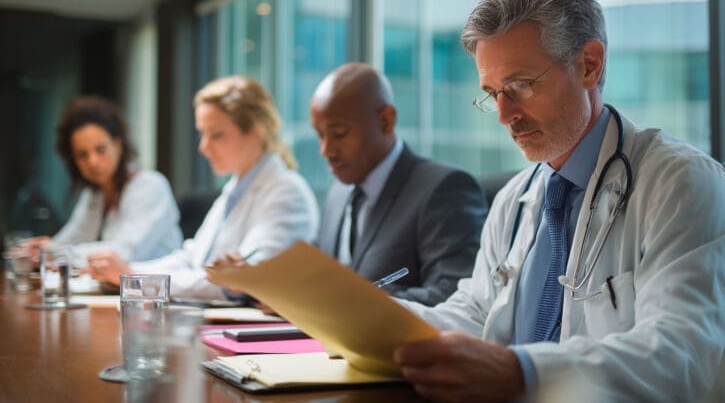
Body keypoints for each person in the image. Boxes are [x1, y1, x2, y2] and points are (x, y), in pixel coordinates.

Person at [392, 0, 725, 401]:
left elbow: (678, 356)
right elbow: (476, 313)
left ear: (589, 65)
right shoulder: (515, 198)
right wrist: (376, 318)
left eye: (520, 85)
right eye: (492, 94)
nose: (504, 116)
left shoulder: (681, 184)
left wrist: (522, 372)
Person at [86, 76, 320, 300]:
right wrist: (125, 273)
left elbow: (241, 282)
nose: (203, 147)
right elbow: (193, 258)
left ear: (255, 133)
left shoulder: (286, 193)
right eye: (202, 134)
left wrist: (134, 278)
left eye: (216, 135)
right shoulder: (236, 188)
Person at [309, 62, 487, 306]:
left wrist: (363, 302)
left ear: (385, 120)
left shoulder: (445, 189)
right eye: (320, 135)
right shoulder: (338, 193)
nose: (326, 150)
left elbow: (454, 296)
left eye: (339, 133)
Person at [22, 95, 182, 265]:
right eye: (82, 155)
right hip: (116, 289)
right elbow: (73, 238)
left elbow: (125, 253)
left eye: (101, 149)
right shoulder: (94, 193)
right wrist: (41, 250)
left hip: (159, 290)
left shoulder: (150, 186)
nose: (93, 162)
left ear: (118, 145)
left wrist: (55, 251)